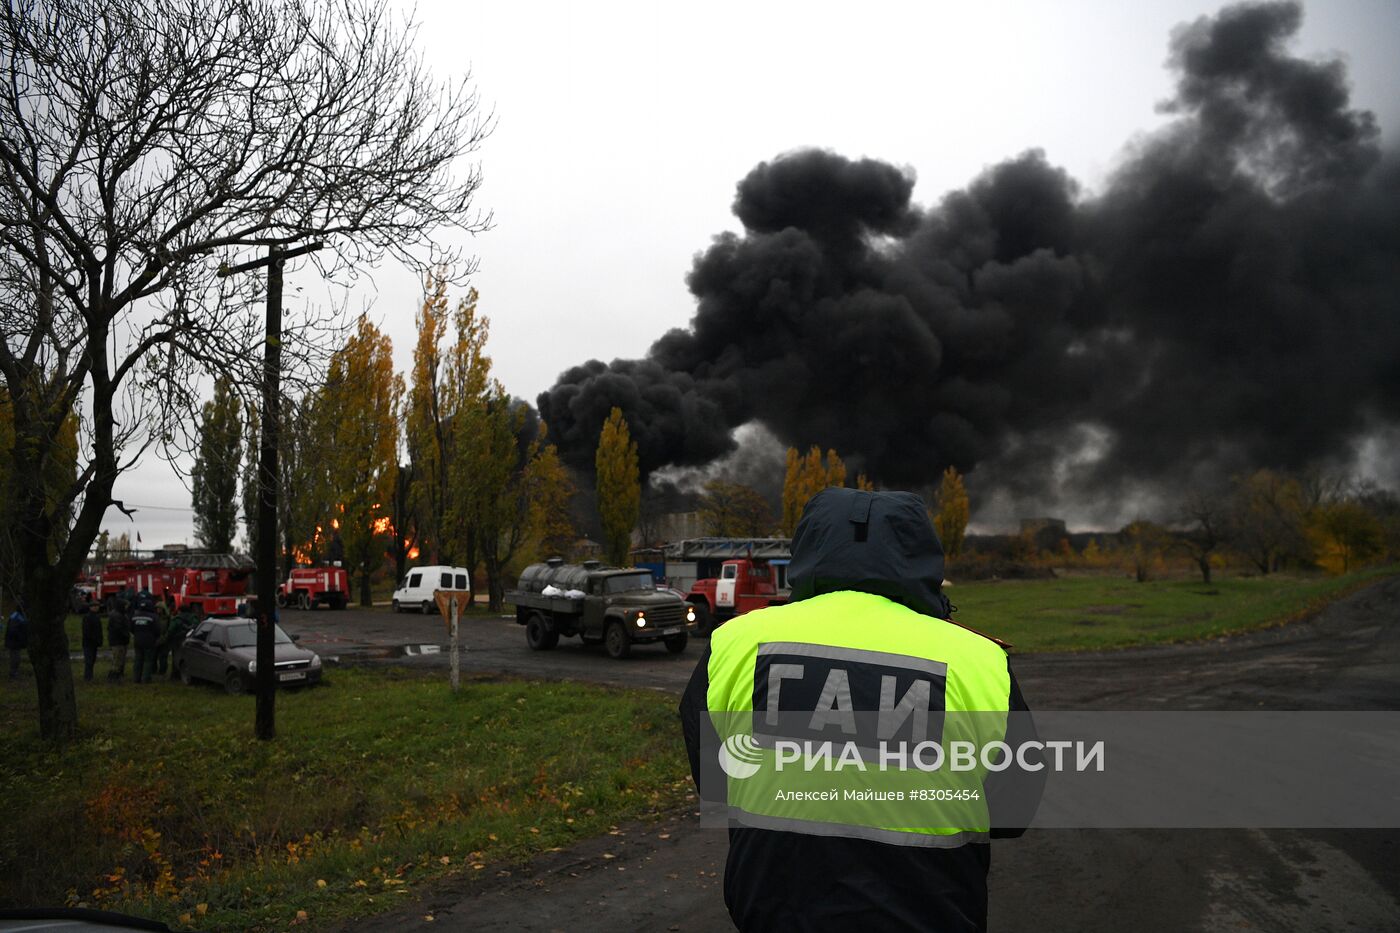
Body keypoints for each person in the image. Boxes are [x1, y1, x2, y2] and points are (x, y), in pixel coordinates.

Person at [680, 488, 1043, 933]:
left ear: (810, 548)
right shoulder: (978, 660)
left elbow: (716, 782)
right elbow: (1013, 812)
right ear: (922, 556)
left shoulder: (734, 642)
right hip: (931, 916)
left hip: (775, 914)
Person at [164, 603, 198, 681]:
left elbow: (170, 631)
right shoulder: (194, 618)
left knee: (176, 658)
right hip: (190, 642)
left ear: (180, 611)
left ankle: (176, 676)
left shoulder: (176, 619)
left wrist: (166, 639)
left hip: (177, 642)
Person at [130, 604, 159, 684]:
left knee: (138, 660)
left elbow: (131, 628)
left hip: (137, 641)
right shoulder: (153, 617)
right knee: (148, 660)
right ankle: (146, 678)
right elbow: (157, 630)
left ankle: (136, 678)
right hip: (149, 641)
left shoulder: (135, 616)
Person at [107, 601, 131, 681]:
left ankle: (116, 675)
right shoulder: (117, 616)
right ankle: (113, 676)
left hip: (119, 640)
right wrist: (126, 635)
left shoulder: (119, 614)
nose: (127, 607)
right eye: (126, 606)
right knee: (117, 659)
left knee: (119, 659)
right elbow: (118, 629)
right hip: (118, 641)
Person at [81, 602, 105, 682]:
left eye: (97, 606)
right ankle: (87, 677)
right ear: (90, 607)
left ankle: (90, 676)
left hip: (94, 642)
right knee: (89, 660)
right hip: (88, 642)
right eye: (94, 606)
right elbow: (86, 631)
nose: (96, 608)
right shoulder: (87, 617)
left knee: (92, 660)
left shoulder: (96, 617)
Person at [5, 603, 27, 679]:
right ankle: (13, 673)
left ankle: (14, 672)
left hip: (16, 642)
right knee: (15, 658)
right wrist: (21, 639)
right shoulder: (16, 618)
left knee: (17, 658)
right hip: (14, 642)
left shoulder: (19, 616)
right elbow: (13, 631)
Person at [153, 597, 174, 676]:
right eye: (157, 609)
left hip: (165, 641)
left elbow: (170, 630)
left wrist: (164, 638)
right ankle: (153, 670)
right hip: (155, 640)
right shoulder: (154, 617)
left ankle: (162, 671)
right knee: (153, 657)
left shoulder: (168, 618)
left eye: (159, 609)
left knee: (163, 657)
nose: (158, 610)